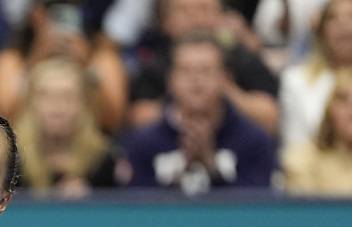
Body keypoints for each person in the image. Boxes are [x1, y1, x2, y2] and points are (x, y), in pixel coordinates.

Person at [123, 33, 277, 195]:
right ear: (170, 80)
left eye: (206, 71)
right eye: (186, 71)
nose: (196, 80)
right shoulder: (143, 144)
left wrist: (211, 168)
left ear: (225, 79)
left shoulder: (254, 142)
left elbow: (258, 213)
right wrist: (183, 170)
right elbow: (136, 213)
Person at [128, 0, 280, 135]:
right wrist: (178, 98)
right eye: (184, 11)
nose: (196, 18)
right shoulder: (156, 62)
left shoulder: (241, 57)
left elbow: (270, 119)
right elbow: (138, 119)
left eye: (204, 9)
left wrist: (226, 90)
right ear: (166, 21)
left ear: (221, 16)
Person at [0, 0, 129, 133]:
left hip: (86, 146)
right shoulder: (12, 60)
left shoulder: (102, 59)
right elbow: (4, 118)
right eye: (51, 9)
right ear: (34, 14)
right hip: (26, 147)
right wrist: (35, 60)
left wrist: (87, 65)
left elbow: (113, 120)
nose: (60, 19)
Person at [14, 58, 118, 198]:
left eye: (67, 97)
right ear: (30, 103)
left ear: (84, 105)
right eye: (46, 96)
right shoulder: (11, 160)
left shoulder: (103, 160)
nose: (57, 106)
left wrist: (90, 199)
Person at [279, 0, 352, 149]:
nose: (343, 24)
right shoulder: (295, 80)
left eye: (351, 16)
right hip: (315, 169)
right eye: (333, 18)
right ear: (322, 31)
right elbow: (294, 148)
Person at [284, 70, 352, 197]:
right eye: (343, 100)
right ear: (329, 110)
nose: (351, 111)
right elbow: (306, 212)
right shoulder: (302, 159)